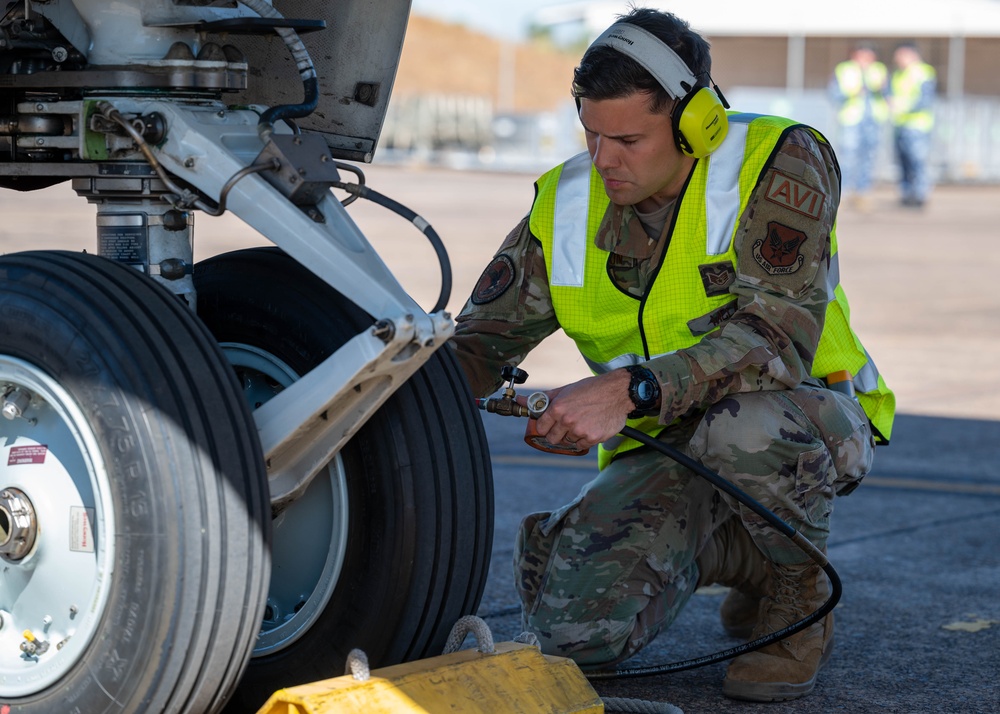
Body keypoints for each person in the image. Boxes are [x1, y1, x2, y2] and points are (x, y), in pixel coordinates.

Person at [449, 7, 895, 703]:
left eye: (628, 138)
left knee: (741, 426)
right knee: (573, 641)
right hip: (664, 445)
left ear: (697, 124)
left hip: (803, 419)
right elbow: (480, 342)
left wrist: (625, 392)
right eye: (591, 135)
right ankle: (742, 556)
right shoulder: (567, 201)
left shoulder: (779, 161)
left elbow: (774, 339)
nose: (604, 160)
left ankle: (795, 594)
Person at [828, 43, 889, 212]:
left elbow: (887, 93)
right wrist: (853, 93)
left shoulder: (879, 70)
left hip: (873, 119)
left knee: (869, 156)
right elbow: (834, 94)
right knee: (848, 155)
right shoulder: (844, 69)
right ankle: (844, 190)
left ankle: (863, 190)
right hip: (852, 119)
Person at [889, 43, 936, 207]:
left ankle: (920, 195)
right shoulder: (898, 74)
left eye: (901, 55)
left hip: (917, 126)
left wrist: (901, 106)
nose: (897, 59)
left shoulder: (923, 72)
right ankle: (907, 195)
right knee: (904, 163)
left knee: (918, 162)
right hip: (901, 124)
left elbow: (925, 100)